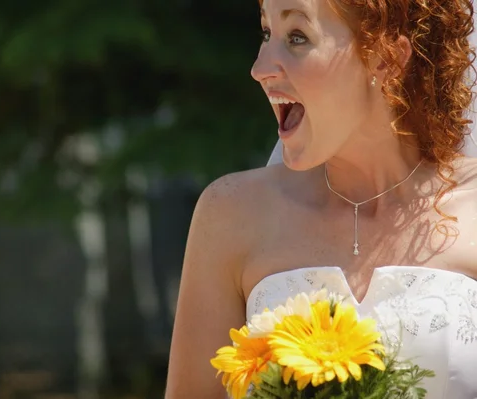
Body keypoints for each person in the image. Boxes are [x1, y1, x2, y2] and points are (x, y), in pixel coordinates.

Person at [164, 0, 477, 398]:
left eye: (297, 37)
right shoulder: (228, 214)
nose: (259, 68)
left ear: (387, 59)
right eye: (265, 33)